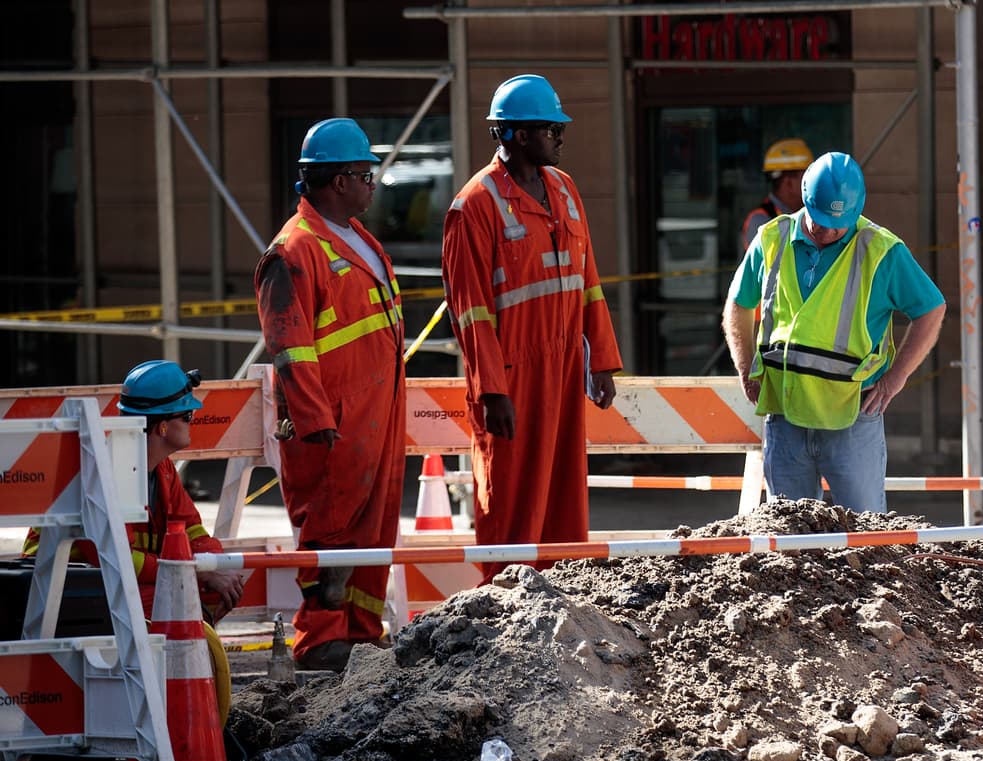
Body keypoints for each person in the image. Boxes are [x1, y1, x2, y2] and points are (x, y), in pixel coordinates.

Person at [441, 74, 622, 583]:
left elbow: (588, 283)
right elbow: (470, 311)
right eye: (551, 128)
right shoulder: (473, 206)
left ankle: (564, 597)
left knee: (565, 497)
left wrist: (602, 360)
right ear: (519, 135)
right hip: (513, 378)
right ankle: (505, 610)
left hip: (564, 368)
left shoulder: (565, 190)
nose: (561, 136)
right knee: (512, 501)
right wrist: (492, 391)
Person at [254, 117, 407, 672]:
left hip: (373, 418)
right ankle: (322, 642)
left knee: (371, 532)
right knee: (332, 533)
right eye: (367, 173)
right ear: (339, 181)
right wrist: (316, 418)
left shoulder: (355, 239)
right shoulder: (294, 250)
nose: (373, 184)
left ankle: (363, 636)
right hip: (332, 426)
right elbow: (288, 346)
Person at [722, 152, 946, 512]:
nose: (827, 231)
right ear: (805, 200)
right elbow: (738, 303)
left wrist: (896, 378)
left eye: (838, 223)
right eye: (819, 220)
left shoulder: (879, 250)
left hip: (852, 417)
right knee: (789, 540)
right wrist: (747, 369)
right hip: (786, 414)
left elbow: (931, 309)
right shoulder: (771, 238)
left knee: (864, 537)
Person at [23, 360, 243, 623]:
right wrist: (195, 570)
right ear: (162, 427)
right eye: (187, 416)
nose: (191, 422)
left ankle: (183, 659)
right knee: (173, 598)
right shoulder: (102, 472)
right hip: (55, 585)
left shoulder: (163, 470)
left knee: (213, 588)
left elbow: (191, 529)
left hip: (111, 579)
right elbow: (115, 560)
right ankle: (165, 662)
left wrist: (212, 566)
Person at [741, 138, 814, 251]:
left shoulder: (808, 215)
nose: (812, 184)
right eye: (806, 178)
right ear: (788, 182)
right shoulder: (760, 221)